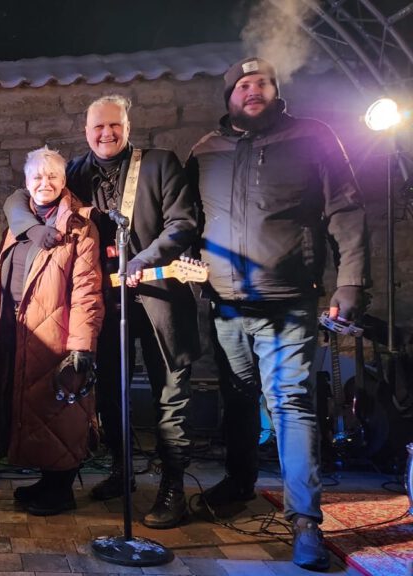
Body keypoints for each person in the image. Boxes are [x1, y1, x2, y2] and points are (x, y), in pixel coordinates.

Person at [187, 57, 370, 571]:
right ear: (228, 96)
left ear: (276, 90)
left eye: (262, 83)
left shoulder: (313, 137)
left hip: (288, 300)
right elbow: (188, 220)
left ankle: (305, 520)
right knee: (237, 395)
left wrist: (351, 280)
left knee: (290, 402)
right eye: (243, 85)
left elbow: (346, 209)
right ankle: (239, 481)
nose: (253, 90)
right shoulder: (205, 150)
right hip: (226, 302)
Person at [4, 94, 199, 528]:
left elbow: (183, 223)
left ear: (128, 127)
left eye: (114, 125)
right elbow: (18, 196)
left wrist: (143, 259)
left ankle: (173, 487)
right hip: (106, 304)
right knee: (108, 393)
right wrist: (32, 228)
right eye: (98, 127)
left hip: (160, 299)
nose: (106, 133)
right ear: (86, 131)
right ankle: (121, 470)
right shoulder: (74, 171)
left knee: (169, 395)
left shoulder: (160, 164)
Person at [0, 146, 104, 516]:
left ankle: (61, 491)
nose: (44, 183)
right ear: (26, 181)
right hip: (19, 328)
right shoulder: (20, 224)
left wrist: (81, 345)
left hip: (57, 333)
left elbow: (87, 291)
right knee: (34, 410)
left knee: (61, 413)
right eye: (37, 176)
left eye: (52, 176)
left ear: (63, 180)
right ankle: (47, 481)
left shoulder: (79, 228)